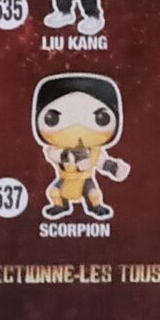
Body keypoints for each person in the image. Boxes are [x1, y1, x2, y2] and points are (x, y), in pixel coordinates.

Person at [32, 74, 129, 222]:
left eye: (101, 118)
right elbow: (54, 155)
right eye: (53, 118)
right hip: (65, 180)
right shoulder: (56, 150)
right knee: (54, 192)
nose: (77, 128)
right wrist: (67, 156)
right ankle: (60, 206)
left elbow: (102, 162)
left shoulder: (94, 152)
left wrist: (114, 168)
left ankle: (95, 207)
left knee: (93, 194)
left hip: (85, 181)